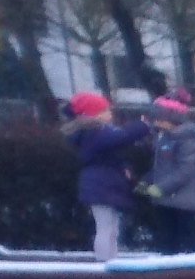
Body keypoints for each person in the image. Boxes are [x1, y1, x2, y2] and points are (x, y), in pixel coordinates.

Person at [62, 92, 152, 261]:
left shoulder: (94, 132)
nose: (110, 114)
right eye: (104, 110)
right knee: (105, 227)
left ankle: (111, 260)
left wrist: (123, 167)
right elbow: (121, 137)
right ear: (91, 114)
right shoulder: (94, 132)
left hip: (103, 186)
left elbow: (109, 154)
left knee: (111, 228)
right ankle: (105, 262)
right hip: (101, 187)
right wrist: (141, 126)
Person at [137, 93, 195, 253]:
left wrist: (161, 188)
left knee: (188, 241)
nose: (156, 123)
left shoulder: (188, 139)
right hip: (164, 199)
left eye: (160, 119)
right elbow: (161, 167)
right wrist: (146, 181)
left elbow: (185, 171)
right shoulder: (165, 138)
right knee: (167, 241)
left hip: (183, 201)